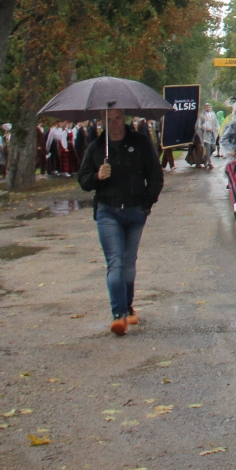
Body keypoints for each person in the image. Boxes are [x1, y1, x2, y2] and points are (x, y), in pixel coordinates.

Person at [77, 109, 164, 336]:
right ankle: (118, 315)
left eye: (117, 118)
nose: (114, 123)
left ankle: (127, 305)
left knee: (128, 263)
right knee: (115, 262)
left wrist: (147, 204)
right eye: (109, 119)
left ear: (124, 118)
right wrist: (97, 176)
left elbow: (155, 176)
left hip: (135, 211)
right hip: (108, 211)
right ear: (102, 121)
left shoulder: (141, 143)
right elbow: (83, 180)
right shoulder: (96, 148)